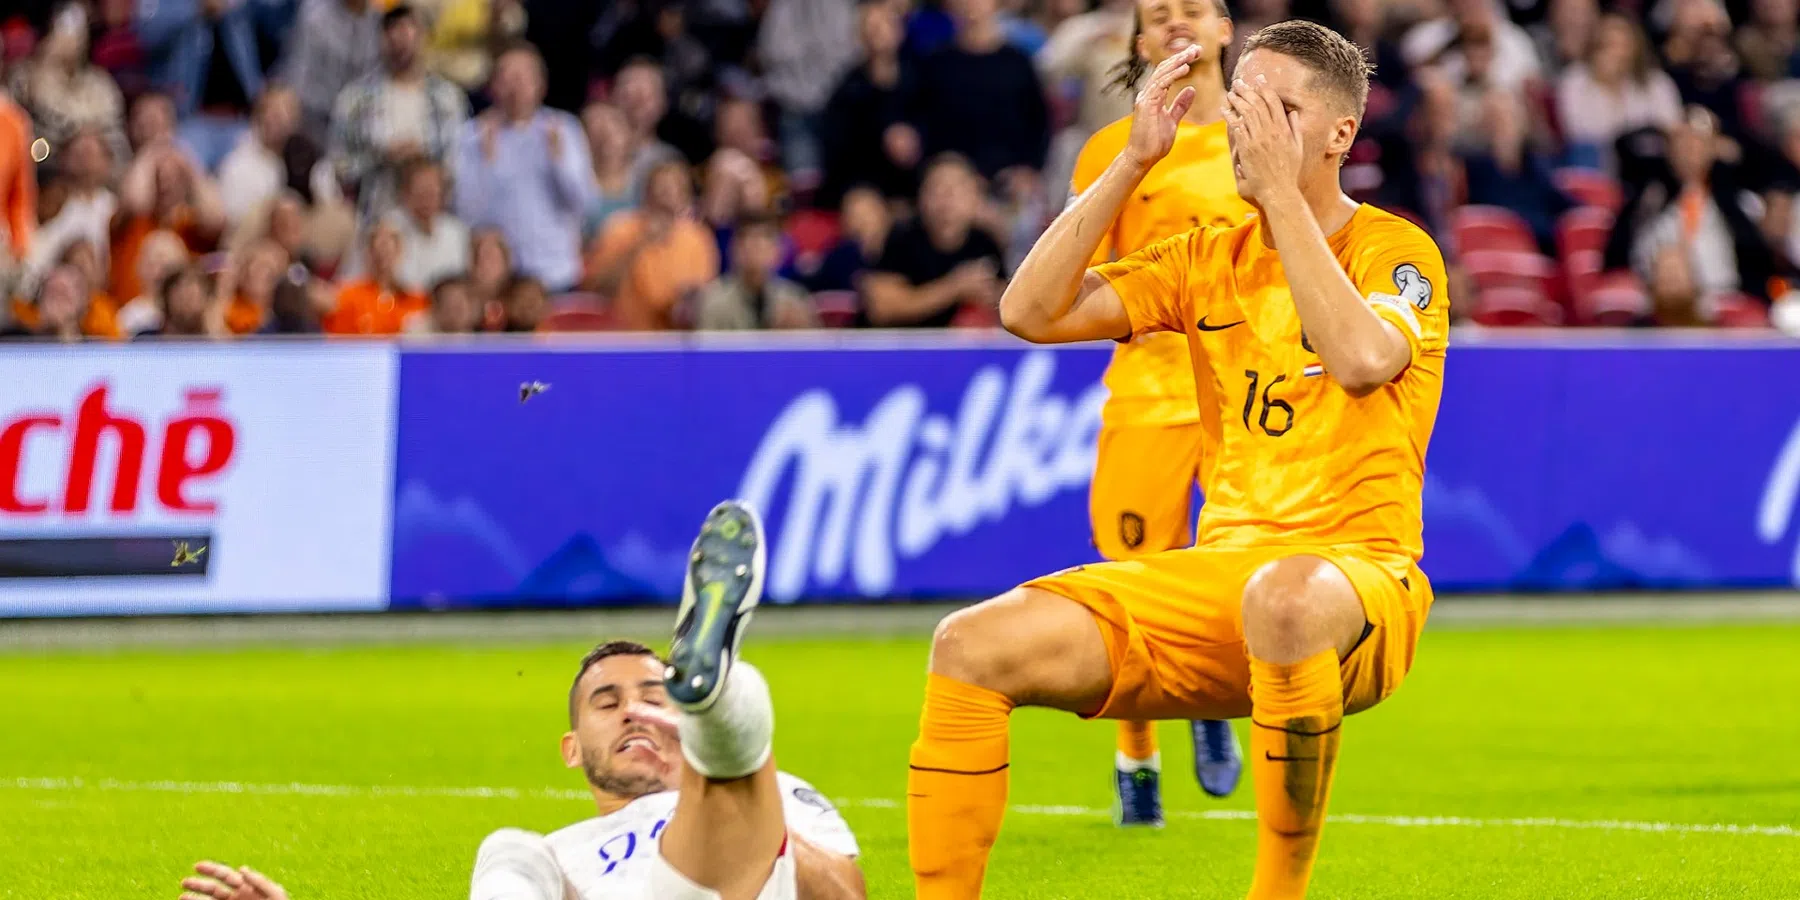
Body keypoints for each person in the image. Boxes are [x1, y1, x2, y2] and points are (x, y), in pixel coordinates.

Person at [907, 21, 1448, 900]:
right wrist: (1132, 161)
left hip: (1359, 584)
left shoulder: (1397, 251)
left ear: (1340, 134)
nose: (1249, 131)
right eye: (1242, 110)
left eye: (1278, 110)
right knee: (969, 644)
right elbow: (1029, 311)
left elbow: (1359, 358)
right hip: (1218, 582)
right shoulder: (1205, 259)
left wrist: (1278, 202)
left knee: (1282, 598)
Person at [464, 500, 865, 900]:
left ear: (680, 726)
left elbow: (847, 894)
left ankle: (723, 734)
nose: (633, 714)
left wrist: (747, 821)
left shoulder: (771, 794)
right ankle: (724, 716)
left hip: (721, 881)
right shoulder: (560, 852)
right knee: (510, 849)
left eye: (654, 701)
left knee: (718, 830)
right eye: (607, 704)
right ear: (573, 750)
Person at [1073, 0, 1258, 828]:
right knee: (1131, 586)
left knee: (1240, 573)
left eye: (1192, 9)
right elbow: (1076, 269)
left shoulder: (1269, 138)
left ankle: (1215, 698)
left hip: (1249, 398)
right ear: (1141, 44)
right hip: (1147, 395)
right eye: (1158, 15)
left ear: (1225, 28)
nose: (1177, 23)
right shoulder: (1114, 152)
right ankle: (1137, 757)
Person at [454, 42, 594, 292]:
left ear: (541, 84)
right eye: (507, 77)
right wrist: (488, 163)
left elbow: (583, 203)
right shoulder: (474, 135)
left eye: (524, 77)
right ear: (493, 85)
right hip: (500, 278)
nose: (515, 87)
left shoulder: (564, 129)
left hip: (555, 272)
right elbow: (467, 213)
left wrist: (558, 162)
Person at [329, 3, 470, 223]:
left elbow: (461, 167)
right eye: (391, 29)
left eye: (408, 29)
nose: (400, 38)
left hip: (431, 221)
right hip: (374, 216)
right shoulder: (354, 99)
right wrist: (381, 156)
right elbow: (338, 167)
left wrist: (422, 160)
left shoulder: (448, 99)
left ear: (424, 35)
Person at [861, 154, 1005, 327]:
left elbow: (1005, 298)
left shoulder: (984, 242)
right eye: (937, 188)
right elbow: (882, 308)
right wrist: (954, 288)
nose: (946, 200)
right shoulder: (900, 239)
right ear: (921, 197)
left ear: (975, 197)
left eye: (957, 189)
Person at [695, 211, 817, 329]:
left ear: (777, 251)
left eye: (762, 242)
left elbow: (817, 346)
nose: (753, 249)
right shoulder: (713, 300)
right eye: (746, 240)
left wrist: (801, 330)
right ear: (734, 250)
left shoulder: (795, 299)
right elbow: (706, 347)